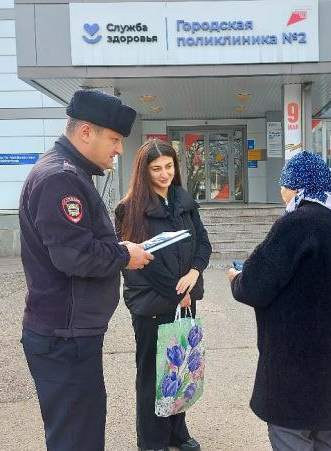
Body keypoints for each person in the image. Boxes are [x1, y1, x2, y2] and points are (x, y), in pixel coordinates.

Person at [18, 89, 154, 451]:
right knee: (77, 440)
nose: (119, 150)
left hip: (70, 335)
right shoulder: (60, 179)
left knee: (83, 432)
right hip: (64, 338)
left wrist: (119, 250)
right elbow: (73, 256)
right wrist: (124, 255)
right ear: (85, 132)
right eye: (114, 139)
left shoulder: (70, 172)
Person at [227, 151, 331, 451]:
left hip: (294, 365)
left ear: (296, 186)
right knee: (329, 441)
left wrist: (235, 278)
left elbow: (254, 287)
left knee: (290, 438)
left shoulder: (296, 224)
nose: (281, 190)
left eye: (284, 183)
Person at [114, 139, 212, 451]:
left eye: (168, 166)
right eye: (156, 168)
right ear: (143, 171)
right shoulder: (129, 209)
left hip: (185, 299)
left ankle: (176, 432)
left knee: (180, 368)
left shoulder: (184, 202)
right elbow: (139, 264)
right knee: (151, 374)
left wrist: (195, 273)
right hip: (152, 305)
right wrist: (176, 292)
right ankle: (152, 440)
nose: (164, 173)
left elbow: (203, 244)